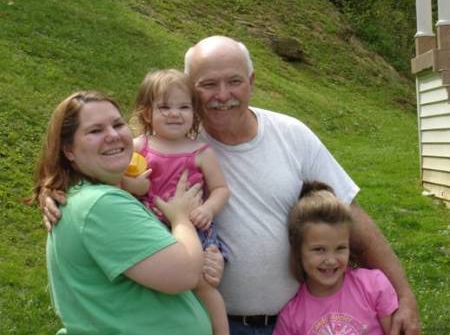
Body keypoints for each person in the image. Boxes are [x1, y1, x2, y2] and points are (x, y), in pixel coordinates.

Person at [42, 36, 421, 335]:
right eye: (208, 84)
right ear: (190, 91)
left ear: (252, 82)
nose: (223, 94)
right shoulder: (172, 136)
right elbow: (102, 152)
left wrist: (403, 295)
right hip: (211, 319)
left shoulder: (292, 134)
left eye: (234, 81)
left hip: (293, 320)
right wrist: (53, 187)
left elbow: (350, 213)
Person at [32, 91, 212, 335]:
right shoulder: (100, 205)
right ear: (69, 150)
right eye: (95, 131)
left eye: (118, 124)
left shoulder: (85, 196)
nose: (113, 135)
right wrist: (180, 218)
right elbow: (185, 273)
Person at [122, 69, 230, 335]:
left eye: (184, 106)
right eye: (164, 107)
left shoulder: (201, 152)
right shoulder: (139, 146)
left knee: (204, 285)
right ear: (148, 113)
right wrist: (132, 185)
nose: (174, 113)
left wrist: (208, 208)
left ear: (194, 113)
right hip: (149, 226)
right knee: (153, 284)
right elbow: (113, 178)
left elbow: (221, 189)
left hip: (194, 228)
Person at [273, 181, 398, 335]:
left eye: (340, 248)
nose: (331, 260)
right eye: (319, 250)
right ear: (298, 250)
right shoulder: (291, 316)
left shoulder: (373, 286)